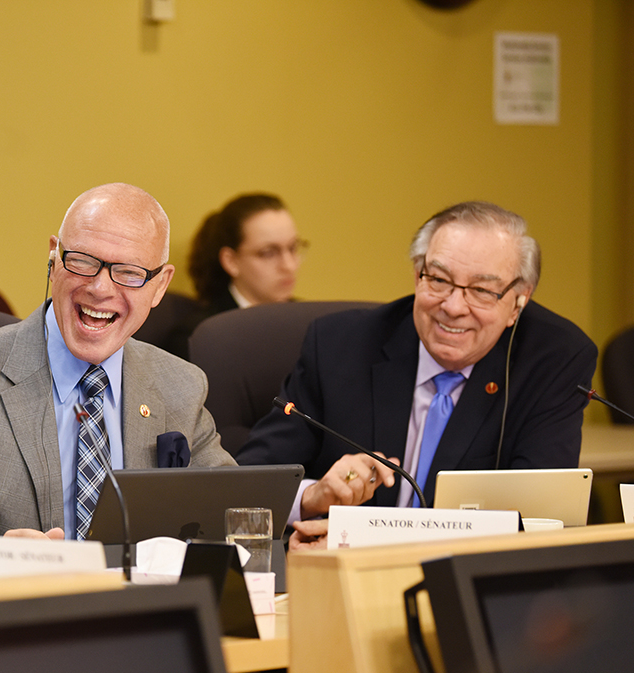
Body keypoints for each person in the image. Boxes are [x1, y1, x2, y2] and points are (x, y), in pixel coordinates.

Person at [0, 183, 235, 578]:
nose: (99, 288)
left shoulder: (179, 384)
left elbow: (233, 515)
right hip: (6, 628)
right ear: (53, 257)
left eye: (129, 273)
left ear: (160, 286)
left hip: (142, 624)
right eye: (82, 261)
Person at [236, 201, 597, 551]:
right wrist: (313, 497)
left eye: (483, 291)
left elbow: (539, 520)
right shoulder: (338, 347)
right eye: (439, 280)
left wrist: (365, 540)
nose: (454, 307)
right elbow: (245, 485)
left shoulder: (554, 359)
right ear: (417, 274)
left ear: (519, 301)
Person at [163, 193, 307, 358]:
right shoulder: (199, 336)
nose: (289, 265)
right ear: (231, 261)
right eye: (268, 253)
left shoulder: (311, 324)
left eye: (293, 248)